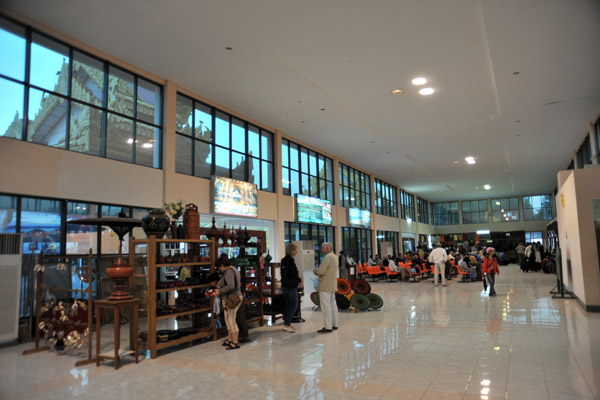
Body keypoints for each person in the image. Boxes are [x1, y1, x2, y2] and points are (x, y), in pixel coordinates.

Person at [216, 254, 242, 350]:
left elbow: (231, 285)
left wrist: (220, 291)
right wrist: (219, 285)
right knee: (228, 319)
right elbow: (225, 281)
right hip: (230, 297)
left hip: (232, 298)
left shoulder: (229, 271)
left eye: (219, 267)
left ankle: (235, 342)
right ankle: (230, 339)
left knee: (231, 319)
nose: (219, 269)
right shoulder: (231, 270)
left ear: (222, 265)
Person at [314, 242, 338, 333]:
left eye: (323, 248)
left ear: (328, 248)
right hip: (332, 284)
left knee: (325, 306)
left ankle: (328, 327)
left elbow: (321, 271)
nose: (321, 250)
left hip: (325, 285)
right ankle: (334, 324)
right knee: (333, 304)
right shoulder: (335, 256)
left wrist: (315, 271)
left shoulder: (327, 258)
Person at [281, 243, 302, 333]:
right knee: (294, 305)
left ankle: (286, 323)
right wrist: (299, 280)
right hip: (291, 286)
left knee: (288, 305)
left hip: (284, 285)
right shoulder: (291, 261)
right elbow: (293, 273)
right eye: (295, 250)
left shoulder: (283, 260)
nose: (296, 252)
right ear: (292, 251)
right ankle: (287, 324)